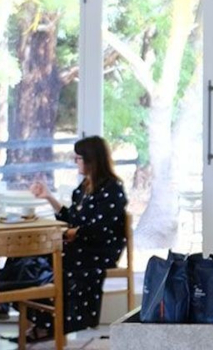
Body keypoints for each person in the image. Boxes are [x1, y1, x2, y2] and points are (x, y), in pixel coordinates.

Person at [12, 137, 128, 341]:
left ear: (91, 159)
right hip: (80, 245)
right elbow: (72, 218)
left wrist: (72, 234)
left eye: (78, 158)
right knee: (24, 258)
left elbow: (101, 229)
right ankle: (37, 318)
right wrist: (48, 197)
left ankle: (49, 324)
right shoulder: (84, 187)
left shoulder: (112, 188)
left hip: (98, 251)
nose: (76, 162)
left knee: (48, 260)